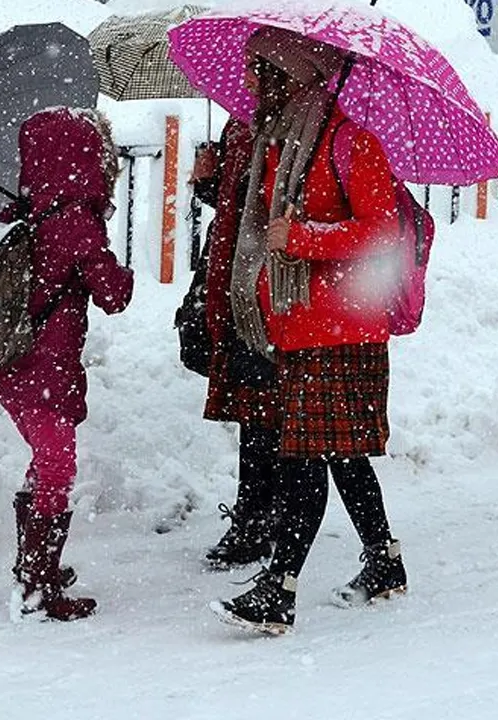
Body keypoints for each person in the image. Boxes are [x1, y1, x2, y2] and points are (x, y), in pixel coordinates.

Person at [210, 27, 407, 634]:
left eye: (257, 72)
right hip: (299, 327)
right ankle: (385, 562)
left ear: (291, 76)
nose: (247, 84)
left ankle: (279, 587)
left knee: (302, 459)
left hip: (341, 329)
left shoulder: (350, 143)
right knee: (342, 456)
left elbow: (384, 235)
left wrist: (301, 240)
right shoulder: (283, 143)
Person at [0, 107, 134, 619]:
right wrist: (118, 270)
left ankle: (32, 568)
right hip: (43, 368)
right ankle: (38, 588)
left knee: (45, 463)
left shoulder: (19, 213)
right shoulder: (75, 223)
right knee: (58, 467)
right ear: (85, 158)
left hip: (10, 361)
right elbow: (113, 295)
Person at [187, 118, 283, 569]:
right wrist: (209, 178)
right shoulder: (240, 124)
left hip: (262, 283)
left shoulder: (281, 126)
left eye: (253, 67)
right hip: (235, 279)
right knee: (255, 409)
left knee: (264, 408)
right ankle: (260, 515)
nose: (244, 76)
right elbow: (230, 204)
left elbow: (264, 203)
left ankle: (259, 519)